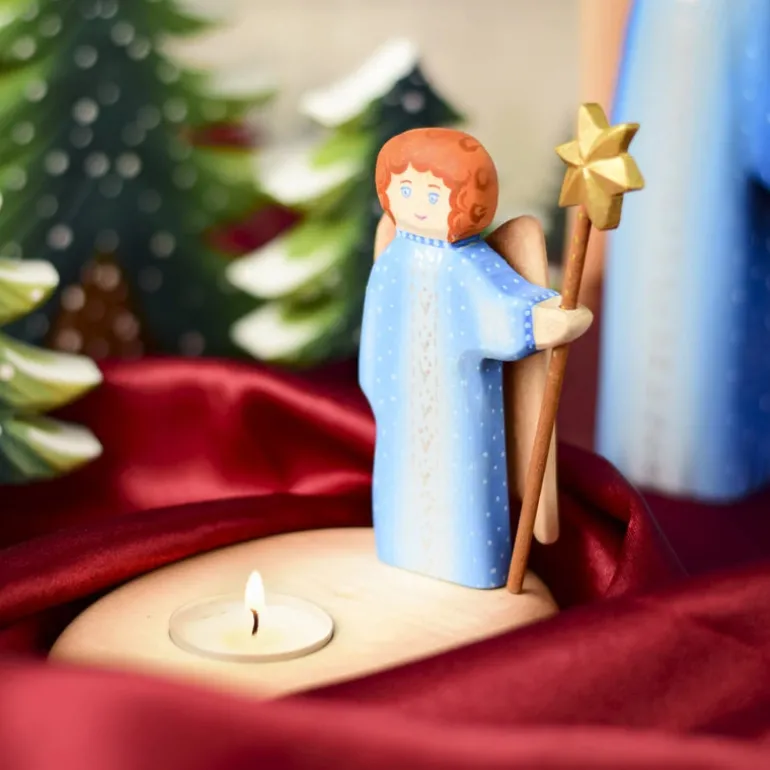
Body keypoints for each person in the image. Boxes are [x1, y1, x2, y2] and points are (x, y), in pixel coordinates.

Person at [359, 127, 592, 588]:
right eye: (405, 188)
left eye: (434, 191)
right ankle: (401, 547)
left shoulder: (467, 265)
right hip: (403, 410)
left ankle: (468, 565)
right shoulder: (393, 261)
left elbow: (506, 310)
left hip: (457, 411)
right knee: (403, 482)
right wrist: (383, 394)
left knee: (460, 488)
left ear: (466, 198)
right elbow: (377, 330)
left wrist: (546, 320)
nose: (418, 201)